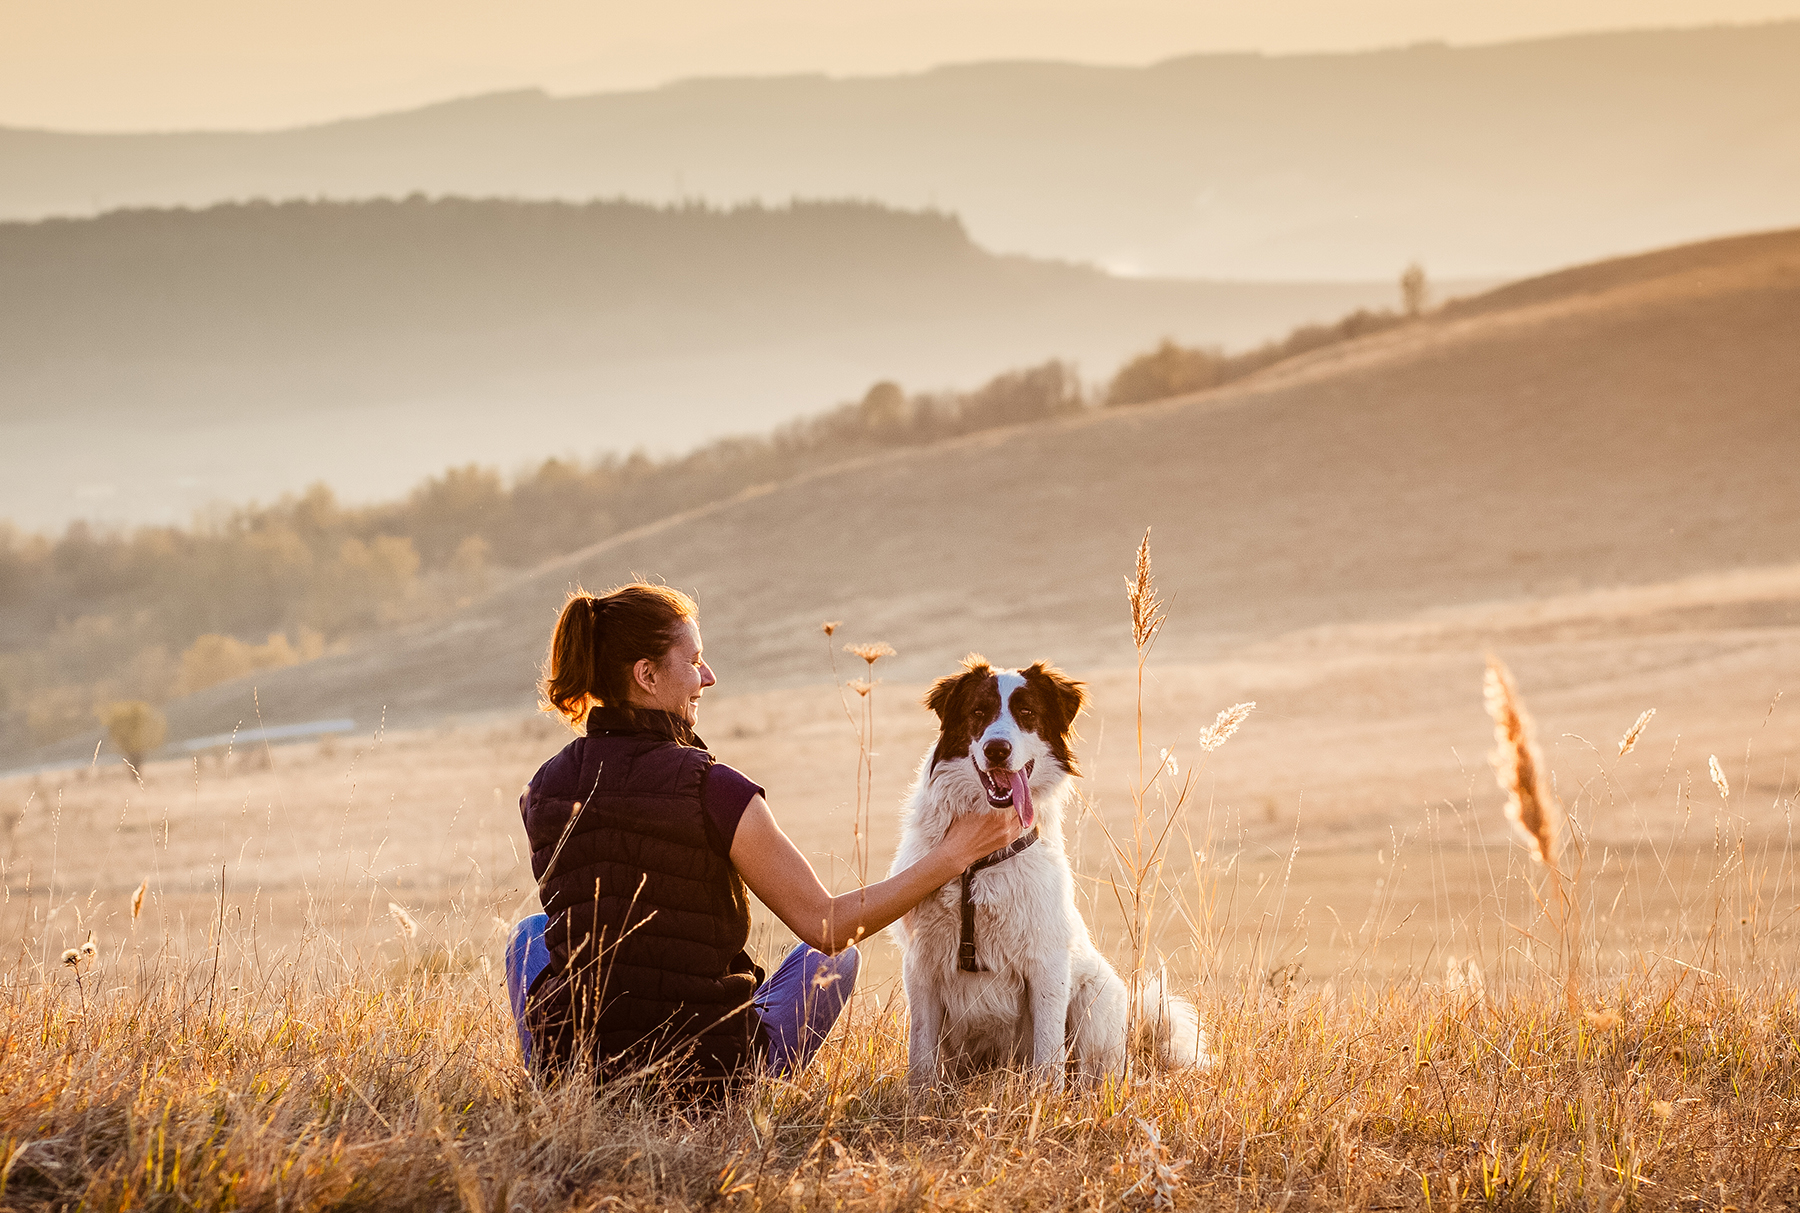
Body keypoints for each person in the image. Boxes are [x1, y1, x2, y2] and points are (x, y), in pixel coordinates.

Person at [505, 582, 1021, 1096]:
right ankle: (745, 1084)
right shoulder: (714, 788)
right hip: (708, 1081)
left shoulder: (542, 789)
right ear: (647, 675)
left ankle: (553, 1080)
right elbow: (829, 927)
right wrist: (954, 854)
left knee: (531, 933)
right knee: (834, 959)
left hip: (577, 1071)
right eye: (694, 661)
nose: (708, 677)